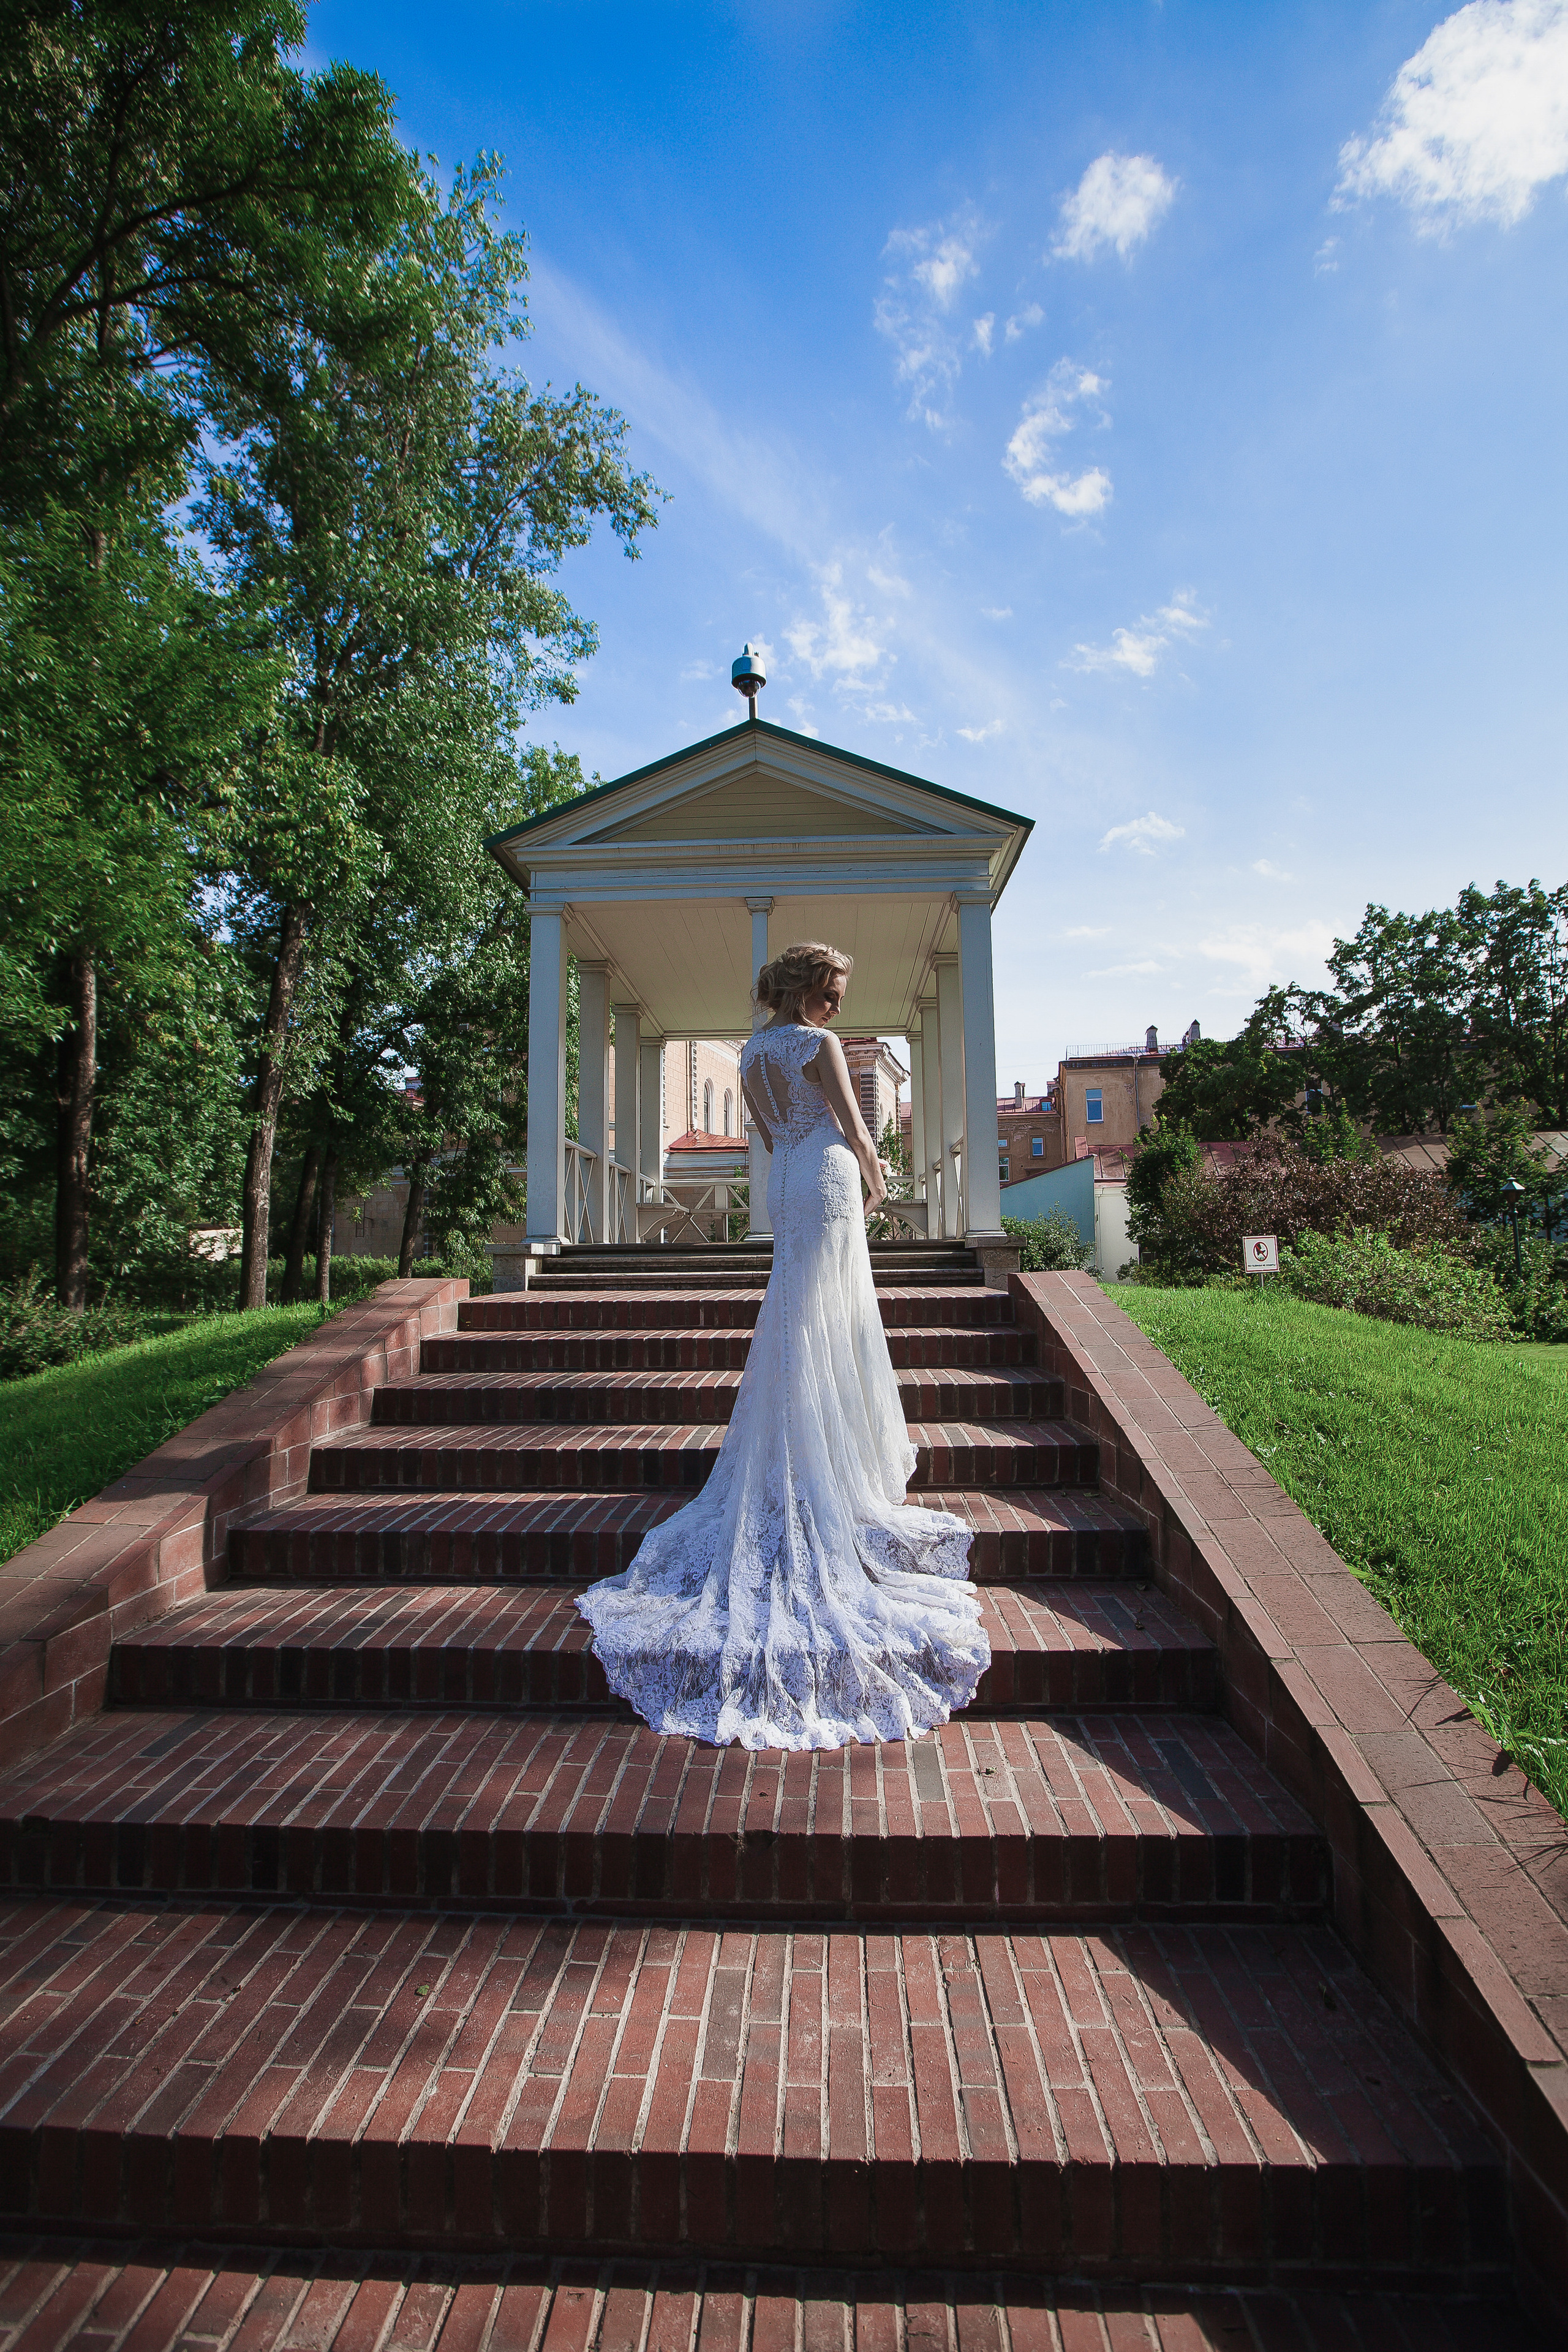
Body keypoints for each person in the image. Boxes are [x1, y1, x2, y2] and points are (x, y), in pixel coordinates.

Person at [577, 940, 990, 1751]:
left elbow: (770, 1133)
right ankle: (832, 1459)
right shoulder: (817, 1044)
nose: (837, 1005)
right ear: (806, 988)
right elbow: (855, 1123)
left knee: (797, 1312)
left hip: (789, 1176)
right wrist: (876, 1178)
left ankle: (803, 1446)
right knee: (830, 1313)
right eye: (831, 989)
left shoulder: (752, 1053)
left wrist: (826, 1160)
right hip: (831, 1172)